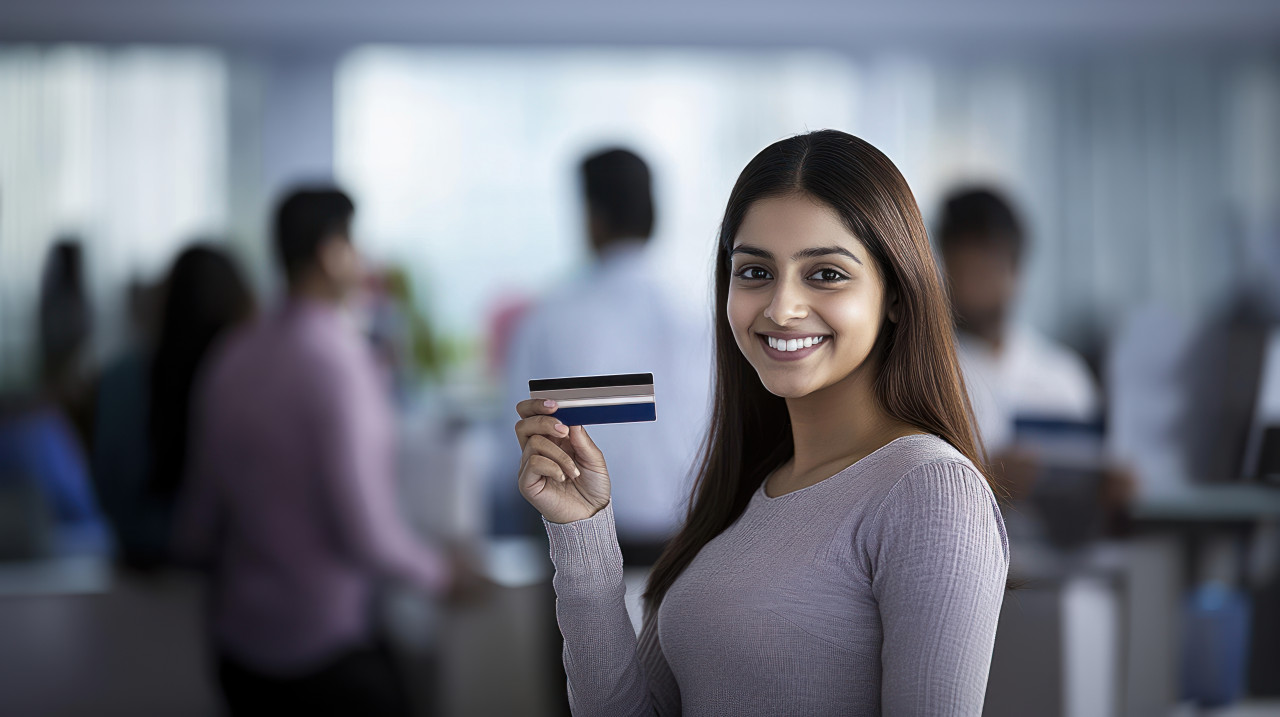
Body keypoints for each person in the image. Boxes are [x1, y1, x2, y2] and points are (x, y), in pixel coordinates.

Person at [513, 130, 1009, 715]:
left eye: (825, 273)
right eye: (754, 273)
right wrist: (583, 530)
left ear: (896, 294)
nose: (780, 308)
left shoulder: (931, 490)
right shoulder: (745, 485)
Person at [174, 188, 454, 717]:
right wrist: (441, 572)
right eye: (355, 244)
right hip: (323, 647)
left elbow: (200, 516)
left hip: (238, 648)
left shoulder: (233, 353)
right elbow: (365, 530)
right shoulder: (338, 362)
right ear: (331, 252)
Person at [504, 147, 711, 560]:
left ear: (591, 216)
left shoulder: (550, 315)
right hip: (687, 538)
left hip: (579, 533)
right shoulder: (700, 313)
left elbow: (514, 434)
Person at [937, 188, 1133, 520]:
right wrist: (985, 478)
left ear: (1016, 271)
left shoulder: (1062, 375)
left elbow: (1097, 483)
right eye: (965, 269)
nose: (976, 285)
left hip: (1066, 559)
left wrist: (1113, 488)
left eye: (988, 268)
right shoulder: (926, 372)